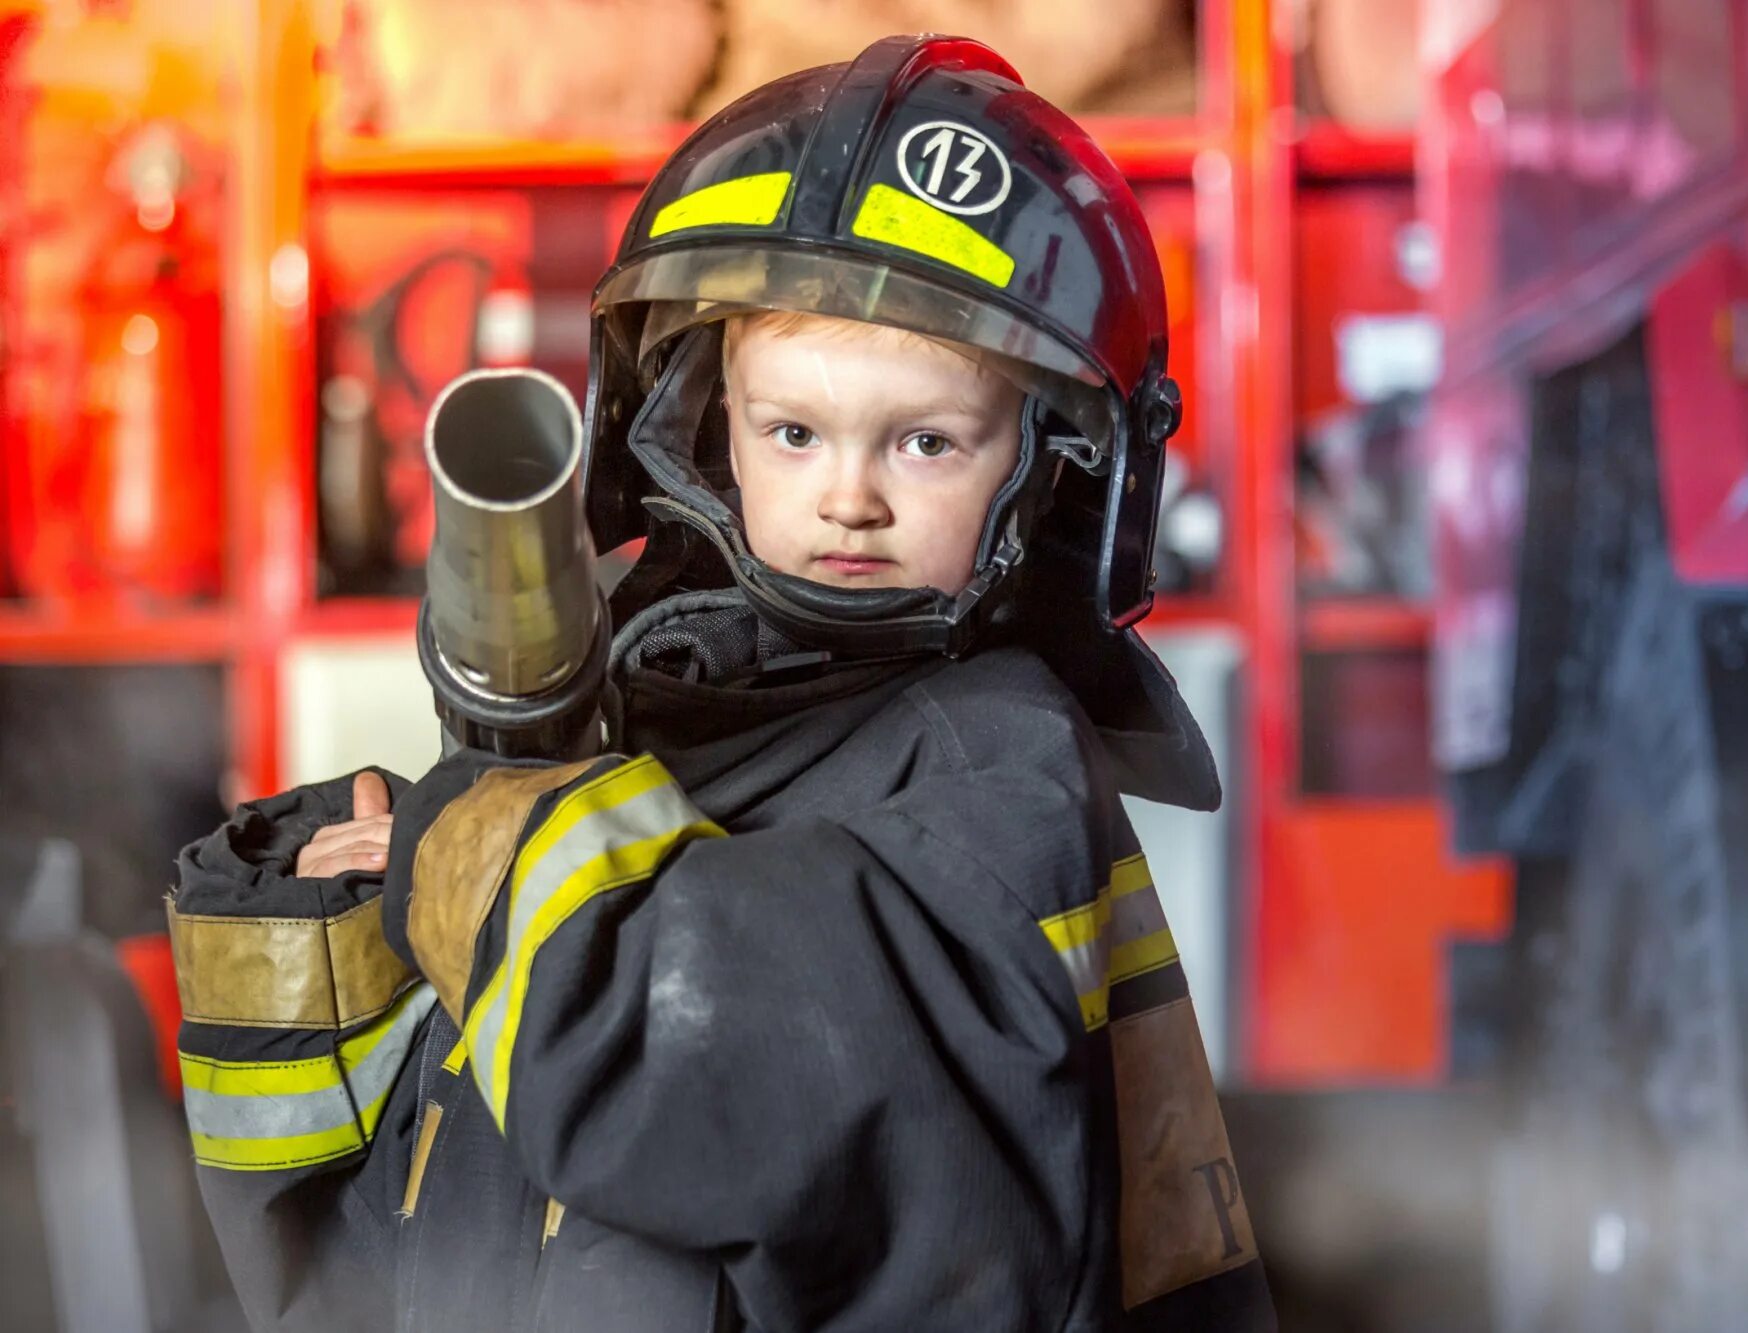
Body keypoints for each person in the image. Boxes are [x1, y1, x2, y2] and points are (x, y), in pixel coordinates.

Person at [168, 34, 1276, 1332]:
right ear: (705, 421)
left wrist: (469, 844)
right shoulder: (675, 720)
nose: (847, 495)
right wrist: (338, 918)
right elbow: (372, 1258)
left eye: (924, 440)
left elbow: (707, 1054)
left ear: (1054, 474)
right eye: (792, 430)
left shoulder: (997, 767)